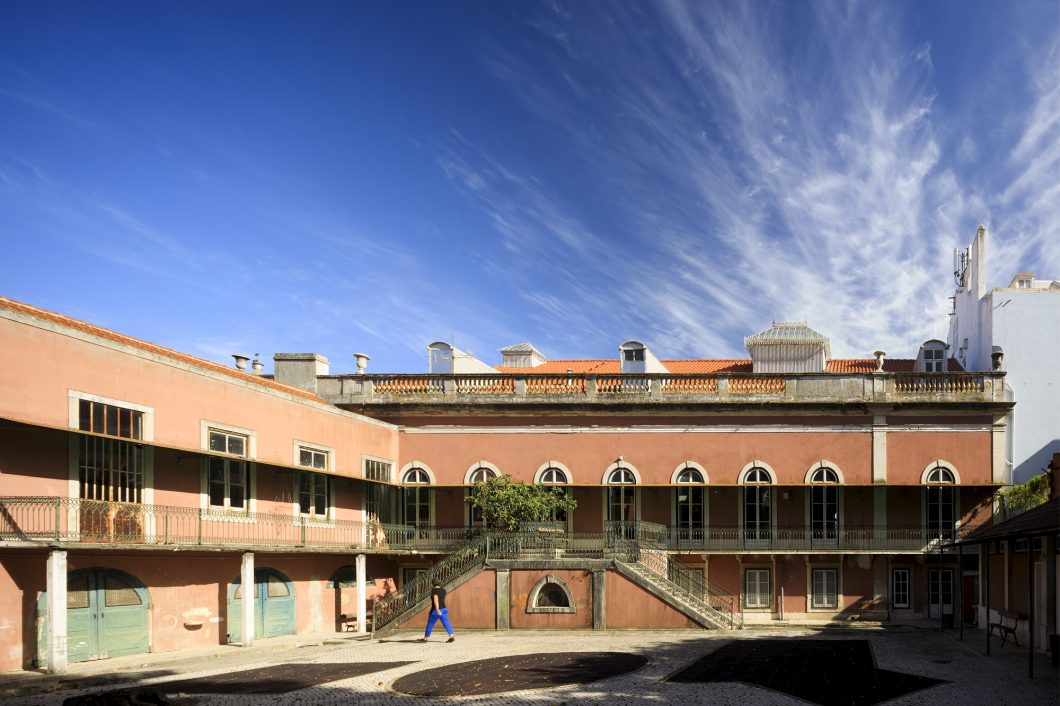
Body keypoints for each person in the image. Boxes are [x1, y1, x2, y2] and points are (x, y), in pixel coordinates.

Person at [421, 578, 455, 642]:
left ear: (433, 584)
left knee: (430, 624)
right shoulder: (443, 590)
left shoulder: (434, 591)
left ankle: (425, 638)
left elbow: (436, 600)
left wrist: (437, 609)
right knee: (446, 623)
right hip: (444, 609)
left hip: (436, 610)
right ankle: (451, 636)